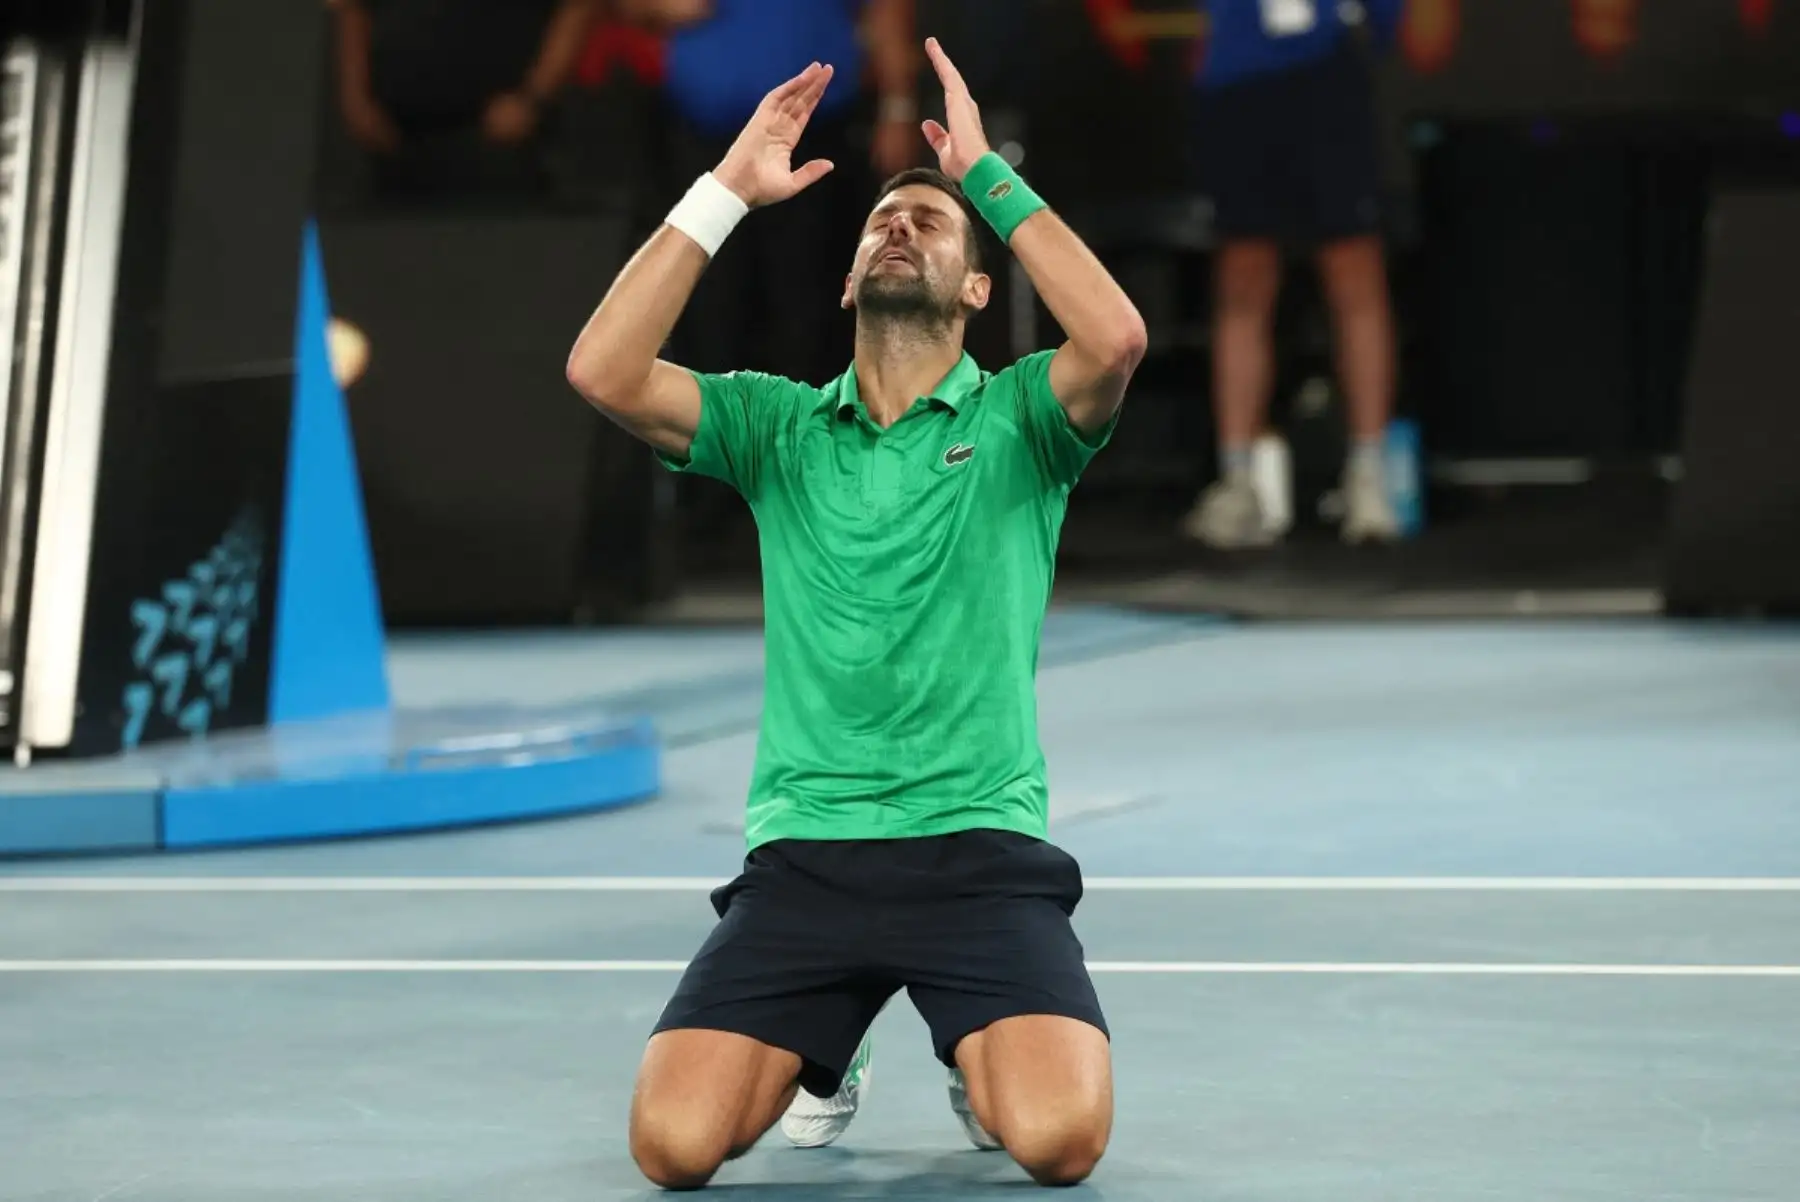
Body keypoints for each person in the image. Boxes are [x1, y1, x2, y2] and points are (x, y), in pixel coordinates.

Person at [565, 39, 1146, 1190]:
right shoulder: (776, 428)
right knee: (673, 1148)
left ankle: (963, 1045)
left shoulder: (1028, 418)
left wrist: (984, 177)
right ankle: (833, 1044)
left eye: (933, 227)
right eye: (883, 222)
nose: (900, 227)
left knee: (1057, 1141)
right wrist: (725, 190)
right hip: (807, 859)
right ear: (844, 283)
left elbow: (1117, 337)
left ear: (980, 291)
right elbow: (603, 369)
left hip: (980, 851)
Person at [1181, 0, 1403, 548]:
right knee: (1243, 284)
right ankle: (1237, 481)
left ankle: (1368, 477)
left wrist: (1376, 26)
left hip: (1327, 79)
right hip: (1239, 80)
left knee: (1355, 275)